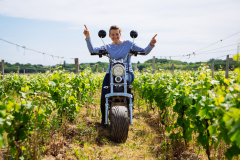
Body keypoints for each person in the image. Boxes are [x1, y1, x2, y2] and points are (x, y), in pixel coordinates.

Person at [83, 25, 157, 126]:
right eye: (113, 35)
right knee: (104, 93)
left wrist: (151, 44)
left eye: (117, 34)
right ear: (109, 35)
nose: (115, 36)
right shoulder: (107, 47)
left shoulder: (128, 44)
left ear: (120, 34)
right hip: (111, 73)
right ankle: (104, 120)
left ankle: (129, 108)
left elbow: (144, 51)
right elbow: (92, 50)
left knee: (125, 83)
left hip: (127, 72)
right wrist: (88, 37)